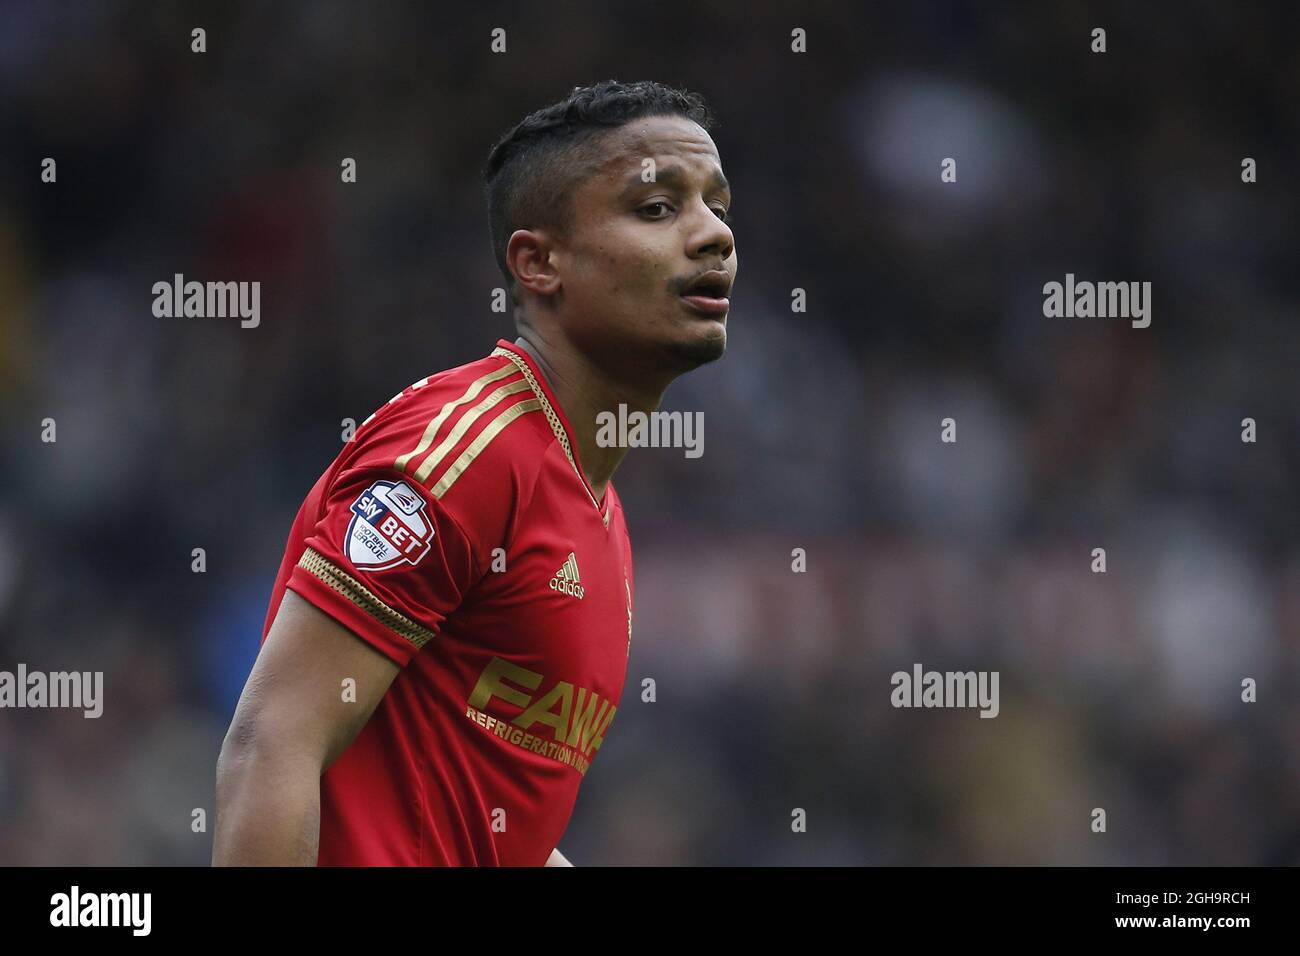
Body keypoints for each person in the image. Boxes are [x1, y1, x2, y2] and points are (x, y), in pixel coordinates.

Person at [212, 78, 737, 866]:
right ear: (539, 264)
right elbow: (272, 742)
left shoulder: (598, 511)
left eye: (718, 207)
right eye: (658, 209)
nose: (713, 236)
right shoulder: (466, 452)